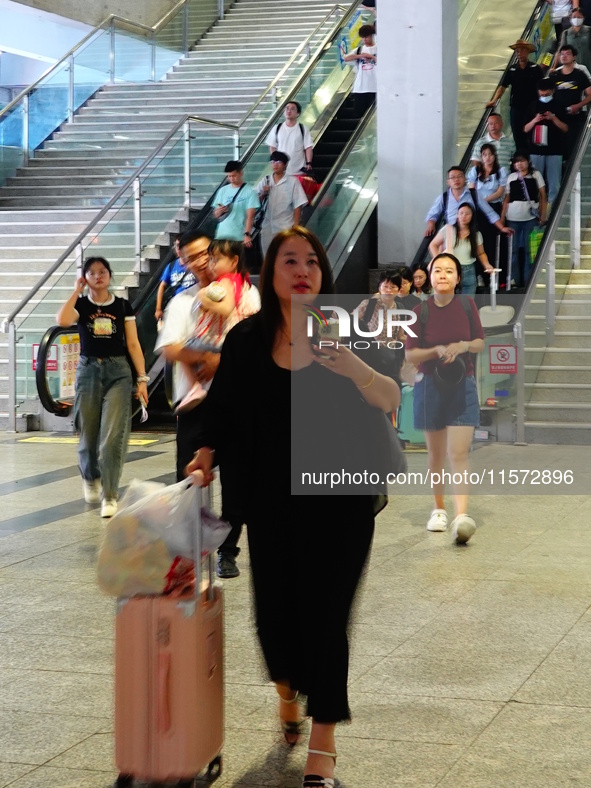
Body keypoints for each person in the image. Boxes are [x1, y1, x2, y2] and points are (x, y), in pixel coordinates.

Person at [187, 226, 399, 788]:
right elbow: (223, 410)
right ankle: (287, 691)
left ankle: (323, 745)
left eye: (311, 260)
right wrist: (204, 454)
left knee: (328, 620)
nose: (302, 270)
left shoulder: (344, 329)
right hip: (272, 501)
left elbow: (389, 397)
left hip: (341, 501)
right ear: (271, 272)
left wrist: (352, 365)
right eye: (289, 261)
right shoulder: (247, 340)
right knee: (275, 620)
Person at [155, 230, 259, 579]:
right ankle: (186, 551)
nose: (203, 262)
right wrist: (207, 359)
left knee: (237, 484)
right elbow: (171, 349)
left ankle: (228, 551)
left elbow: (255, 339)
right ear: (181, 261)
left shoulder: (247, 292)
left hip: (238, 402)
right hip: (196, 402)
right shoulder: (182, 301)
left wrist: (224, 361)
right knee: (188, 480)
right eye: (194, 257)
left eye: (208, 254)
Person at [55, 256, 149, 519]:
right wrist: (76, 290)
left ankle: (110, 494)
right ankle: (90, 476)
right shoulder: (82, 305)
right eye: (92, 273)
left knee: (111, 438)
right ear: (86, 277)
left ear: (110, 275)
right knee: (87, 438)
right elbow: (62, 319)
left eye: (103, 271)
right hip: (88, 372)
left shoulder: (122, 306)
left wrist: (141, 379)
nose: (98, 276)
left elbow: (132, 344)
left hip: (118, 372)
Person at [405, 253, 485, 544]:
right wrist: (437, 351)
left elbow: (479, 341)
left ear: (457, 278)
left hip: (463, 384)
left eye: (449, 271)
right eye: (437, 270)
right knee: (436, 454)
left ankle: (461, 515)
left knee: (459, 453)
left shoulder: (467, 305)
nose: (442, 275)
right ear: (429, 274)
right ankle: (439, 510)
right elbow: (411, 354)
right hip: (429, 387)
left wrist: (462, 345)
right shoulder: (420, 310)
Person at [175, 239, 254, 413]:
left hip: (218, 341)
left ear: (233, 261)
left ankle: (195, 388)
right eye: (210, 259)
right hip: (234, 342)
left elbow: (226, 308)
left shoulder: (225, 281)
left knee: (184, 350)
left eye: (215, 260)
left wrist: (204, 298)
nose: (210, 265)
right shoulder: (241, 281)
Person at [486, 40, 544, 151]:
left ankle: (533, 156)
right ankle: (520, 157)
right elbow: (503, 86)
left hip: (532, 107)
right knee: (518, 133)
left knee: (533, 133)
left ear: (527, 51)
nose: (519, 53)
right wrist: (494, 100)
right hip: (517, 107)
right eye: (517, 51)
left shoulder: (535, 68)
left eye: (522, 50)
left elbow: (542, 87)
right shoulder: (512, 69)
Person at [424, 166, 512, 238]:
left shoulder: (474, 195)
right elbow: (433, 214)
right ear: (448, 182)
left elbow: (490, 213)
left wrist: (502, 228)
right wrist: (431, 225)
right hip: (451, 235)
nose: (456, 180)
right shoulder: (444, 197)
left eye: (459, 176)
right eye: (453, 177)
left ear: (465, 179)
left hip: (470, 235)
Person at [501, 151, 547, 288]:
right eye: (516, 161)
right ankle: (514, 280)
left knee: (530, 251)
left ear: (528, 161)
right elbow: (506, 199)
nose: (519, 164)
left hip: (531, 218)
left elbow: (543, 196)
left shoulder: (536, 175)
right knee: (513, 251)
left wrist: (543, 214)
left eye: (522, 161)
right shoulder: (510, 177)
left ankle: (528, 280)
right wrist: (502, 217)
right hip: (513, 218)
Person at [428, 203, 497, 295]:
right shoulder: (448, 229)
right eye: (461, 213)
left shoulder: (476, 235)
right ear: (457, 215)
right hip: (451, 269)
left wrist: (487, 264)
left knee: (466, 305)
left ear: (472, 216)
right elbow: (433, 245)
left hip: (469, 270)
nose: (464, 216)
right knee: (449, 302)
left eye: (467, 214)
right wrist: (439, 260)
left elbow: (481, 253)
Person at [467, 143, 509, 285]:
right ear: (481, 156)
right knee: (477, 241)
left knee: (491, 243)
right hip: (477, 211)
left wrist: (483, 200)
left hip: (493, 207)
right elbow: (471, 190)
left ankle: (494, 276)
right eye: (484, 154)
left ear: (494, 156)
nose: (487, 157)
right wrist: (478, 203)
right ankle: (479, 274)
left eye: (490, 154)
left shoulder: (500, 171)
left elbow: (500, 191)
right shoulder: (475, 171)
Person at [523, 78, 568, 203]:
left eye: (547, 94)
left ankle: (552, 209)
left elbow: (565, 128)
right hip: (536, 150)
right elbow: (526, 128)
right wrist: (535, 120)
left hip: (555, 151)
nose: (544, 96)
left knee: (554, 183)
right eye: (542, 94)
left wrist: (553, 118)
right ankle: (537, 206)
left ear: (553, 91)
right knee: (535, 182)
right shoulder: (533, 106)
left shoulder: (559, 105)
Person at [256, 151, 308, 256]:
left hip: (285, 226)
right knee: (268, 257)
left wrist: (296, 225)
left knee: (285, 256)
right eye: (272, 162)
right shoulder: (265, 180)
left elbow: (298, 204)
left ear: (285, 164)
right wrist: (263, 193)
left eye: (278, 162)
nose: (275, 164)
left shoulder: (292, 181)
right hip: (267, 225)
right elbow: (255, 203)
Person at [549, 44, 591, 150]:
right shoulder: (555, 75)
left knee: (574, 144)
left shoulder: (580, 73)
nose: (564, 56)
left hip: (575, 116)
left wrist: (578, 105)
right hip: (557, 116)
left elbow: (589, 94)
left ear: (574, 57)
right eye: (561, 54)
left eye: (567, 54)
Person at [212, 160, 260, 248]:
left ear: (241, 173)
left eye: (234, 176)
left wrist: (247, 234)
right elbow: (215, 214)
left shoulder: (250, 191)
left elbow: (250, 216)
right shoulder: (223, 191)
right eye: (229, 176)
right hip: (221, 235)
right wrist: (220, 211)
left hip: (238, 237)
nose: (231, 179)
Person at [265, 101, 314, 176]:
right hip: (281, 171)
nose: (289, 111)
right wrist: (275, 162)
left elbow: (308, 147)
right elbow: (272, 147)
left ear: (298, 113)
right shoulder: (277, 128)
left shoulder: (303, 129)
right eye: (287, 108)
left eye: (292, 109)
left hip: (299, 171)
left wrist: (308, 163)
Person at [154, 239, 196, 322]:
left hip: (194, 305)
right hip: (177, 306)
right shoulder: (171, 266)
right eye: (177, 246)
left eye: (181, 246)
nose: (179, 249)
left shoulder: (195, 264)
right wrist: (158, 309)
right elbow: (162, 286)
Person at [343, 24, 377, 116]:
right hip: (360, 87)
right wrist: (361, 55)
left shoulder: (378, 49)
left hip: (375, 87)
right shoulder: (359, 50)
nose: (365, 39)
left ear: (372, 36)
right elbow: (346, 58)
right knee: (359, 114)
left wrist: (370, 56)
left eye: (366, 36)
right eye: (362, 37)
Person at [556, 7, 591, 72]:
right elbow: (560, 51)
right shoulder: (566, 33)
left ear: (583, 18)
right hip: (574, 68)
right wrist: (553, 67)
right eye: (574, 17)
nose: (576, 19)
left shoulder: (589, 30)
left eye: (579, 17)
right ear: (570, 19)